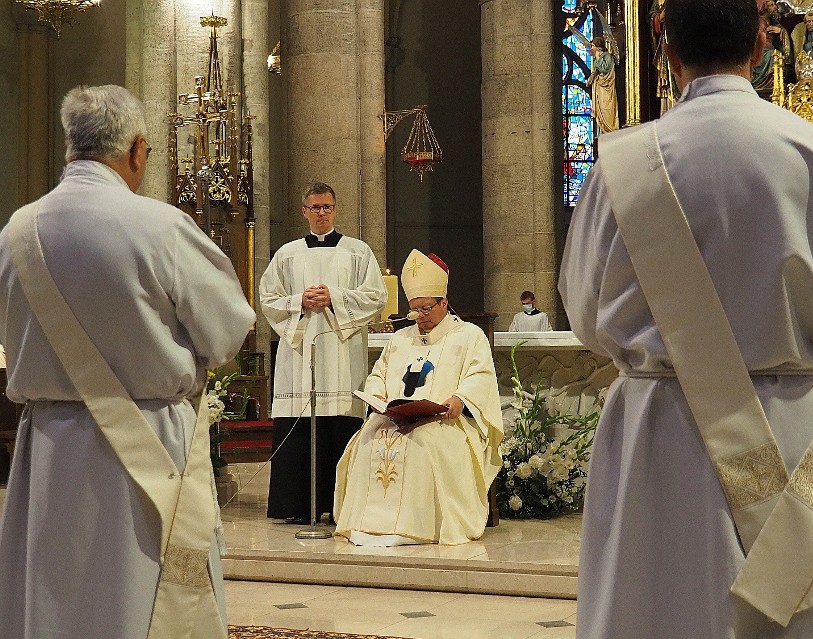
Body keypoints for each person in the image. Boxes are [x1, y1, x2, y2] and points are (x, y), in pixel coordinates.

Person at [559, 0, 813, 634]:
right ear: (761, 44)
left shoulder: (617, 171)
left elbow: (584, 313)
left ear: (666, 50)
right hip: (797, 430)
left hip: (659, 437)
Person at [0, 85, 255, 638]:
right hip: (146, 447)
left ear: (70, 147)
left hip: (46, 448)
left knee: (53, 602)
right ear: (138, 150)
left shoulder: (15, 233)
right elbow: (229, 331)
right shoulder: (159, 228)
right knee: (141, 600)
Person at [334, 249, 503, 546]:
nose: (420, 317)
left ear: (444, 303)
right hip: (397, 418)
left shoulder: (469, 335)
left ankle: (419, 527)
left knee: (422, 444)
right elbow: (378, 375)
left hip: (446, 422)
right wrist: (376, 399)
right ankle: (365, 525)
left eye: (427, 309)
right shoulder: (400, 339)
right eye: (415, 310)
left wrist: (460, 398)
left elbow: (481, 377)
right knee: (365, 441)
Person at [260, 182, 386, 524]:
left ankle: (341, 505)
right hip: (299, 355)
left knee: (340, 424)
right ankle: (298, 507)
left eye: (326, 207)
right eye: (314, 208)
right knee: (300, 426)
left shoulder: (358, 252)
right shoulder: (287, 254)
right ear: (304, 212)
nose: (320, 213)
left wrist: (335, 298)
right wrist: (298, 301)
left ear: (335, 209)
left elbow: (375, 297)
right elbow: (268, 299)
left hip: (343, 356)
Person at [751, 0, 792, 89]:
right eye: (771, 5)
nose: (775, 8)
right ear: (765, 7)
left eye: (774, 5)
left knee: (777, 55)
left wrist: (782, 31)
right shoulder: (761, 20)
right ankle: (764, 84)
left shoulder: (771, 21)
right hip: (761, 51)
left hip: (768, 49)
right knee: (773, 56)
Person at [588, 36, 619, 133]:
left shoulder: (607, 57)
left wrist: (597, 59)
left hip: (607, 87)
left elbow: (605, 69)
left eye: (592, 46)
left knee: (606, 108)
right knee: (600, 109)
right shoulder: (597, 58)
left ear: (598, 47)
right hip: (599, 87)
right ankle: (601, 130)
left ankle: (609, 129)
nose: (591, 48)